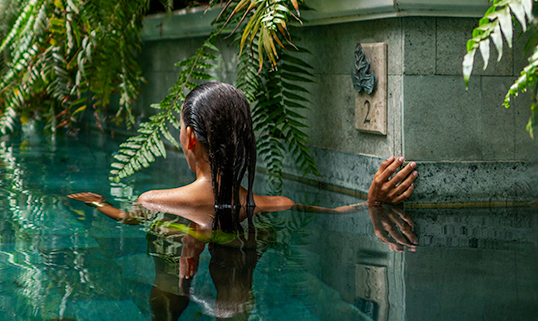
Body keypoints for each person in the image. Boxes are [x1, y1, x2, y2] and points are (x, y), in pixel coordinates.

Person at [69, 80, 417, 232]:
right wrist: (373, 203)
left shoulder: (155, 201)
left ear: (190, 138)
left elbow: (129, 218)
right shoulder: (279, 205)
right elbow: (336, 212)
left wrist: (101, 204)